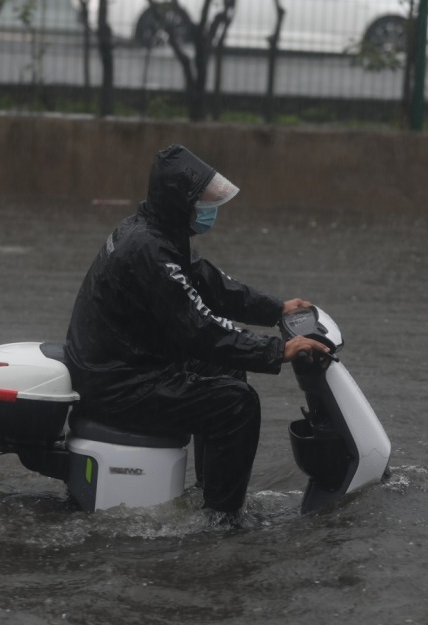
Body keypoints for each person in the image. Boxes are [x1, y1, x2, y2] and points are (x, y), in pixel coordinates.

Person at [64, 144, 329, 520]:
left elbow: (208, 284)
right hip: (116, 386)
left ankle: (211, 494)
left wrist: (276, 309)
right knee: (237, 405)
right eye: (202, 201)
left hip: (123, 364)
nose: (208, 209)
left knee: (228, 373)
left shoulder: (155, 232)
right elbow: (199, 332)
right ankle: (222, 520)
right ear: (178, 201)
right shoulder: (150, 251)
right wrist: (276, 351)